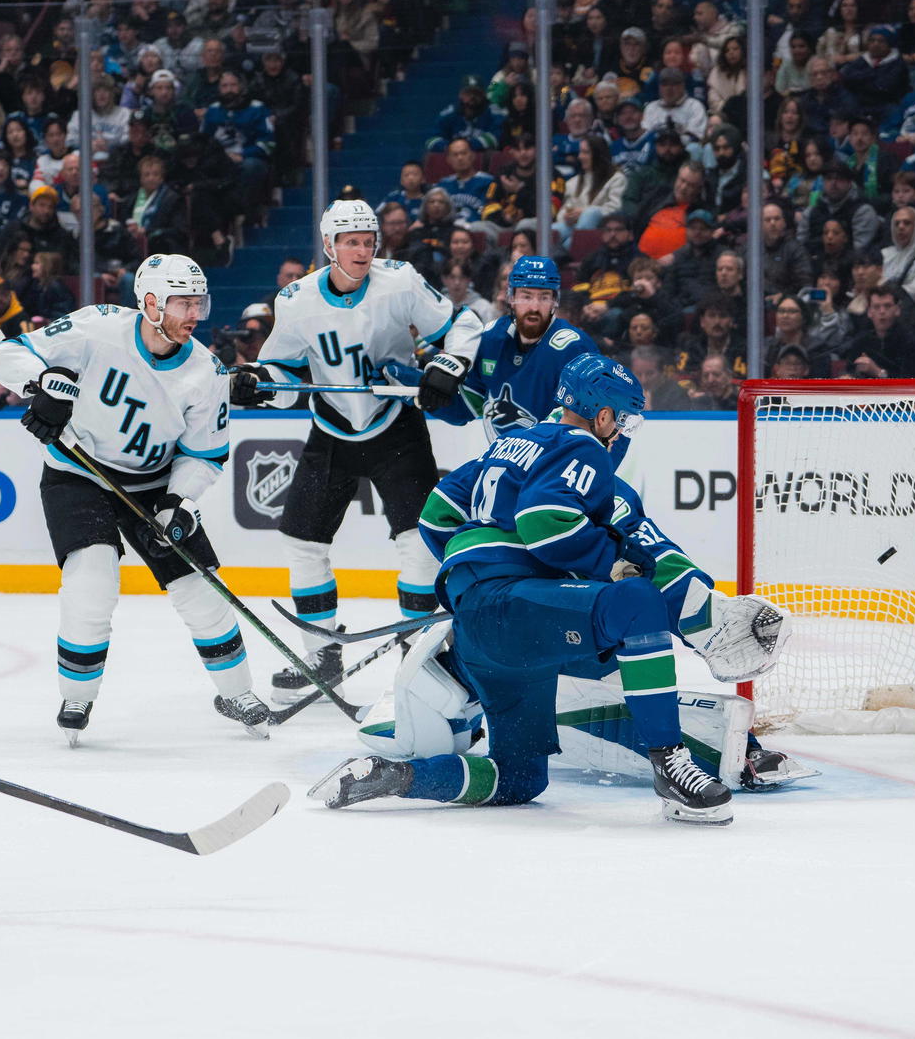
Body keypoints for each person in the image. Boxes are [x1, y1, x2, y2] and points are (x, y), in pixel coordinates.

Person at [310, 354, 776, 819]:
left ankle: (398, 776)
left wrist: (474, 568)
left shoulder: (510, 444)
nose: (623, 434)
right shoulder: (585, 447)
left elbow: (435, 515)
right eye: (624, 420)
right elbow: (544, 523)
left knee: (520, 778)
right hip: (507, 606)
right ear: (604, 414)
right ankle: (669, 762)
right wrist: (610, 563)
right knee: (637, 604)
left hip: (490, 628)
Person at [0, 254, 270, 745]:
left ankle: (237, 692)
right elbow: (9, 353)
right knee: (91, 580)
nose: (194, 314)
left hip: (154, 484)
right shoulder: (96, 327)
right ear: (151, 301)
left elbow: (204, 455)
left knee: (201, 590)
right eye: (183, 302)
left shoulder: (206, 372)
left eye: (197, 302)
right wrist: (41, 388)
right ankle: (78, 694)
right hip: (77, 473)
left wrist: (179, 502)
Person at [230, 200, 484, 705]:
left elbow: (462, 322)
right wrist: (258, 385)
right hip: (332, 429)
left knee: (418, 543)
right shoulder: (297, 300)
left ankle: (422, 659)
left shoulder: (401, 281)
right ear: (328, 247)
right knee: (303, 543)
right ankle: (321, 657)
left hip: (396, 428)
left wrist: (449, 364)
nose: (363, 250)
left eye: (368, 241)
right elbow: (281, 374)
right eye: (351, 241)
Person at [390, 257, 599, 442]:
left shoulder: (575, 348)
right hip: (504, 466)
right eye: (526, 296)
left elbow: (597, 423)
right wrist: (419, 387)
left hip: (553, 470)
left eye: (544, 297)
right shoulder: (491, 338)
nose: (535, 307)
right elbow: (465, 407)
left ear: (555, 300)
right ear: (510, 297)